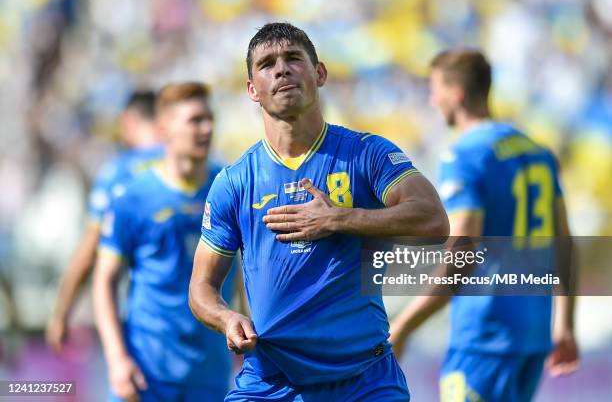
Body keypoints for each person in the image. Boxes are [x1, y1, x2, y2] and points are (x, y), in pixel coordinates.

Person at [189, 22, 449, 401]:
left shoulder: (366, 154)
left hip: (364, 380)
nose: (281, 69)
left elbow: (433, 221)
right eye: (267, 64)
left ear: (320, 73)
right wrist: (227, 318)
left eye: (293, 58)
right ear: (251, 90)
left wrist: (339, 218)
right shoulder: (235, 182)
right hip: (271, 382)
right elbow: (201, 287)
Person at [389, 49, 579, 402]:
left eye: (436, 89)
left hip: (485, 335)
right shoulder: (537, 150)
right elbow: (564, 242)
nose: (432, 100)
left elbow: (462, 252)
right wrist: (564, 322)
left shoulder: (465, 155)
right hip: (534, 334)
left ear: (457, 94)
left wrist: (403, 326)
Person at [93, 82, 235, 401]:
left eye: (210, 118)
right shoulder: (134, 197)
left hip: (210, 371)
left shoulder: (229, 187)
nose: (207, 128)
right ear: (164, 128)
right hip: (147, 371)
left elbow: (241, 267)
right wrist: (117, 359)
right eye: (195, 120)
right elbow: (104, 281)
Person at [46, 91, 163, 353]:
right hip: (202, 333)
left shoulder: (119, 173)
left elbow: (90, 249)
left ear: (127, 121)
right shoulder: (198, 167)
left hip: (141, 328)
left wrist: (62, 311)